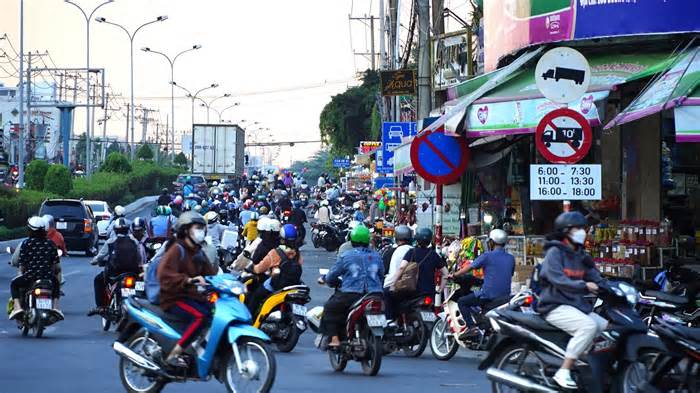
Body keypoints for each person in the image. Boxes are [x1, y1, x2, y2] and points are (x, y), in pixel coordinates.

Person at [537, 211, 606, 390]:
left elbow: (596, 277)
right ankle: (564, 371)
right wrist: (585, 285)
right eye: (578, 228)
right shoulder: (554, 252)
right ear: (566, 231)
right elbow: (559, 280)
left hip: (575, 305)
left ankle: (584, 364)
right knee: (588, 326)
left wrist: (614, 287)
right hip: (554, 305)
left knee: (607, 328)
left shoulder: (580, 254)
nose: (582, 232)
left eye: (583, 228)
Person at [157, 211, 218, 368]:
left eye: (202, 228)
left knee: (214, 314)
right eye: (197, 228)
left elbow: (211, 274)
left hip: (191, 296)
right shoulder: (177, 249)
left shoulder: (198, 251)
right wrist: (188, 280)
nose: (201, 232)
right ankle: (174, 354)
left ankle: (195, 351)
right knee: (200, 316)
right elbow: (164, 274)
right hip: (174, 297)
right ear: (185, 230)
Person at [319, 225, 384, 347]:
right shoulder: (377, 256)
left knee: (330, 308)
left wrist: (325, 279)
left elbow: (332, 275)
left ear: (351, 241)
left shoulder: (346, 256)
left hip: (352, 294)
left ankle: (334, 339)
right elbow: (381, 275)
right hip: (375, 294)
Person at [452, 229, 514, 338]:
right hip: (505, 297)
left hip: (488, 295)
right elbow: (509, 274)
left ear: (491, 242)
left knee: (462, 302)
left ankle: (472, 328)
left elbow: (469, 268)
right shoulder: (511, 258)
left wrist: (454, 275)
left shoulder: (487, 256)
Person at [9, 217, 62, 319]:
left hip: (30, 277)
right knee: (56, 285)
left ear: (30, 230)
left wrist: (20, 274)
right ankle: (56, 307)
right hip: (48, 278)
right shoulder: (51, 244)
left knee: (14, 284)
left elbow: (22, 266)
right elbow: (56, 267)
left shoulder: (26, 244)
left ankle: (17, 307)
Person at [88, 218, 143, 316]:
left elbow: (100, 256)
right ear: (128, 229)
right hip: (132, 272)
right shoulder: (134, 241)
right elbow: (140, 257)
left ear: (115, 230)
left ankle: (100, 306)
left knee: (98, 280)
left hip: (115, 273)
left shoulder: (110, 241)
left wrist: (93, 261)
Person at [246, 224, 303, 314]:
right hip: (294, 283)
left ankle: (250, 321)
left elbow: (259, 269)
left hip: (276, 284)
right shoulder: (297, 252)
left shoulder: (275, 252)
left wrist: (253, 268)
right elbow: (300, 263)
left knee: (256, 296)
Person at [393, 227, 447, 297]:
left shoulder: (411, 252)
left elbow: (402, 267)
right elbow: (445, 273)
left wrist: (394, 283)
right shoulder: (433, 254)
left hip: (412, 291)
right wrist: (440, 289)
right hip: (429, 292)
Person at [382, 225, 413, 321]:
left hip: (395, 287)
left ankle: (389, 320)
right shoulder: (414, 250)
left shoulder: (390, 252)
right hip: (414, 287)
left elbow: (384, 270)